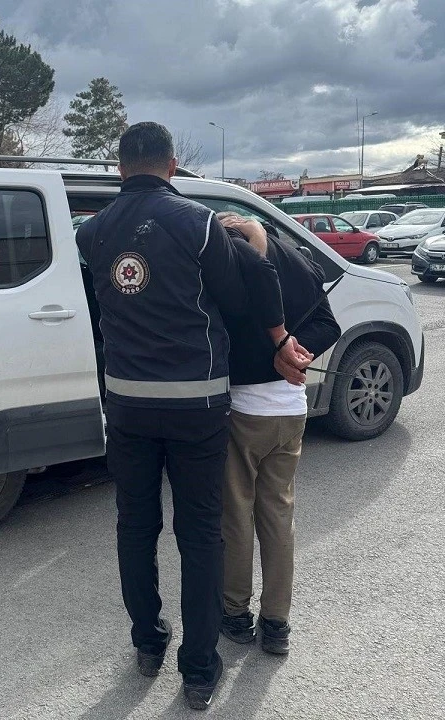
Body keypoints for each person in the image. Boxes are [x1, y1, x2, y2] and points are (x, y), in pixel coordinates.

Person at [76, 122, 312, 710]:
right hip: (196, 404)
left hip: (126, 403)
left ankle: (147, 642)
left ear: (120, 167)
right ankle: (200, 670)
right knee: (201, 532)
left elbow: (98, 308)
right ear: (172, 165)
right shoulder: (200, 223)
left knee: (135, 524)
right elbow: (240, 293)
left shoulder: (92, 233)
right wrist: (276, 331)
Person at [216, 212, 341, 654]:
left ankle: (235, 614)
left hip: (244, 410)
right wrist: (294, 355)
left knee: (236, 515)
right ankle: (277, 624)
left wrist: (275, 354)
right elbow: (328, 324)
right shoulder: (301, 262)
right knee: (279, 516)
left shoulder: (234, 268)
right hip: (292, 411)